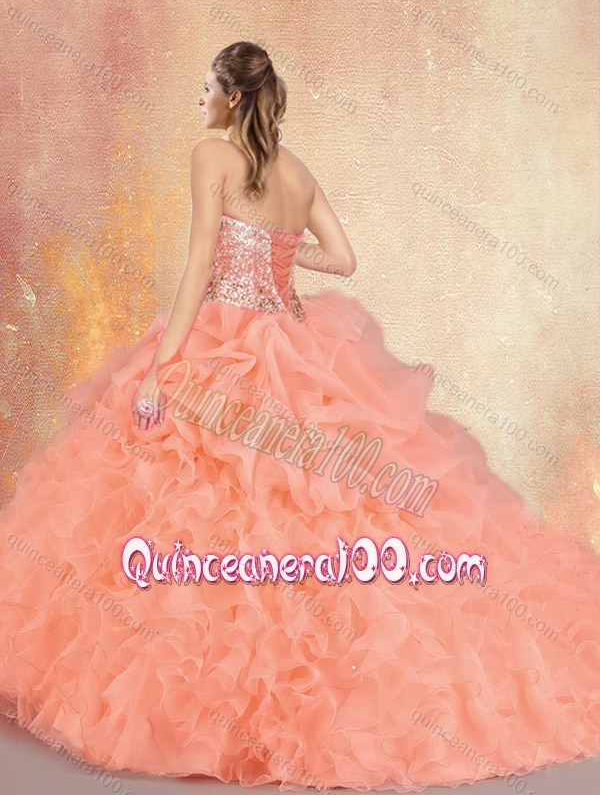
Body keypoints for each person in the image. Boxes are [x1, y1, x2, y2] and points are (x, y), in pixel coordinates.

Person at [0, 40, 598, 794]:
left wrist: (158, 366)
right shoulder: (297, 171)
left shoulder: (210, 155)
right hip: (297, 345)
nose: (199, 100)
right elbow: (343, 259)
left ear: (235, 97)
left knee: (202, 507)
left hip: (223, 339)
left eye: (208, 88)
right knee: (322, 512)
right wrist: (278, 260)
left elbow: (198, 263)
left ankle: (217, 710)